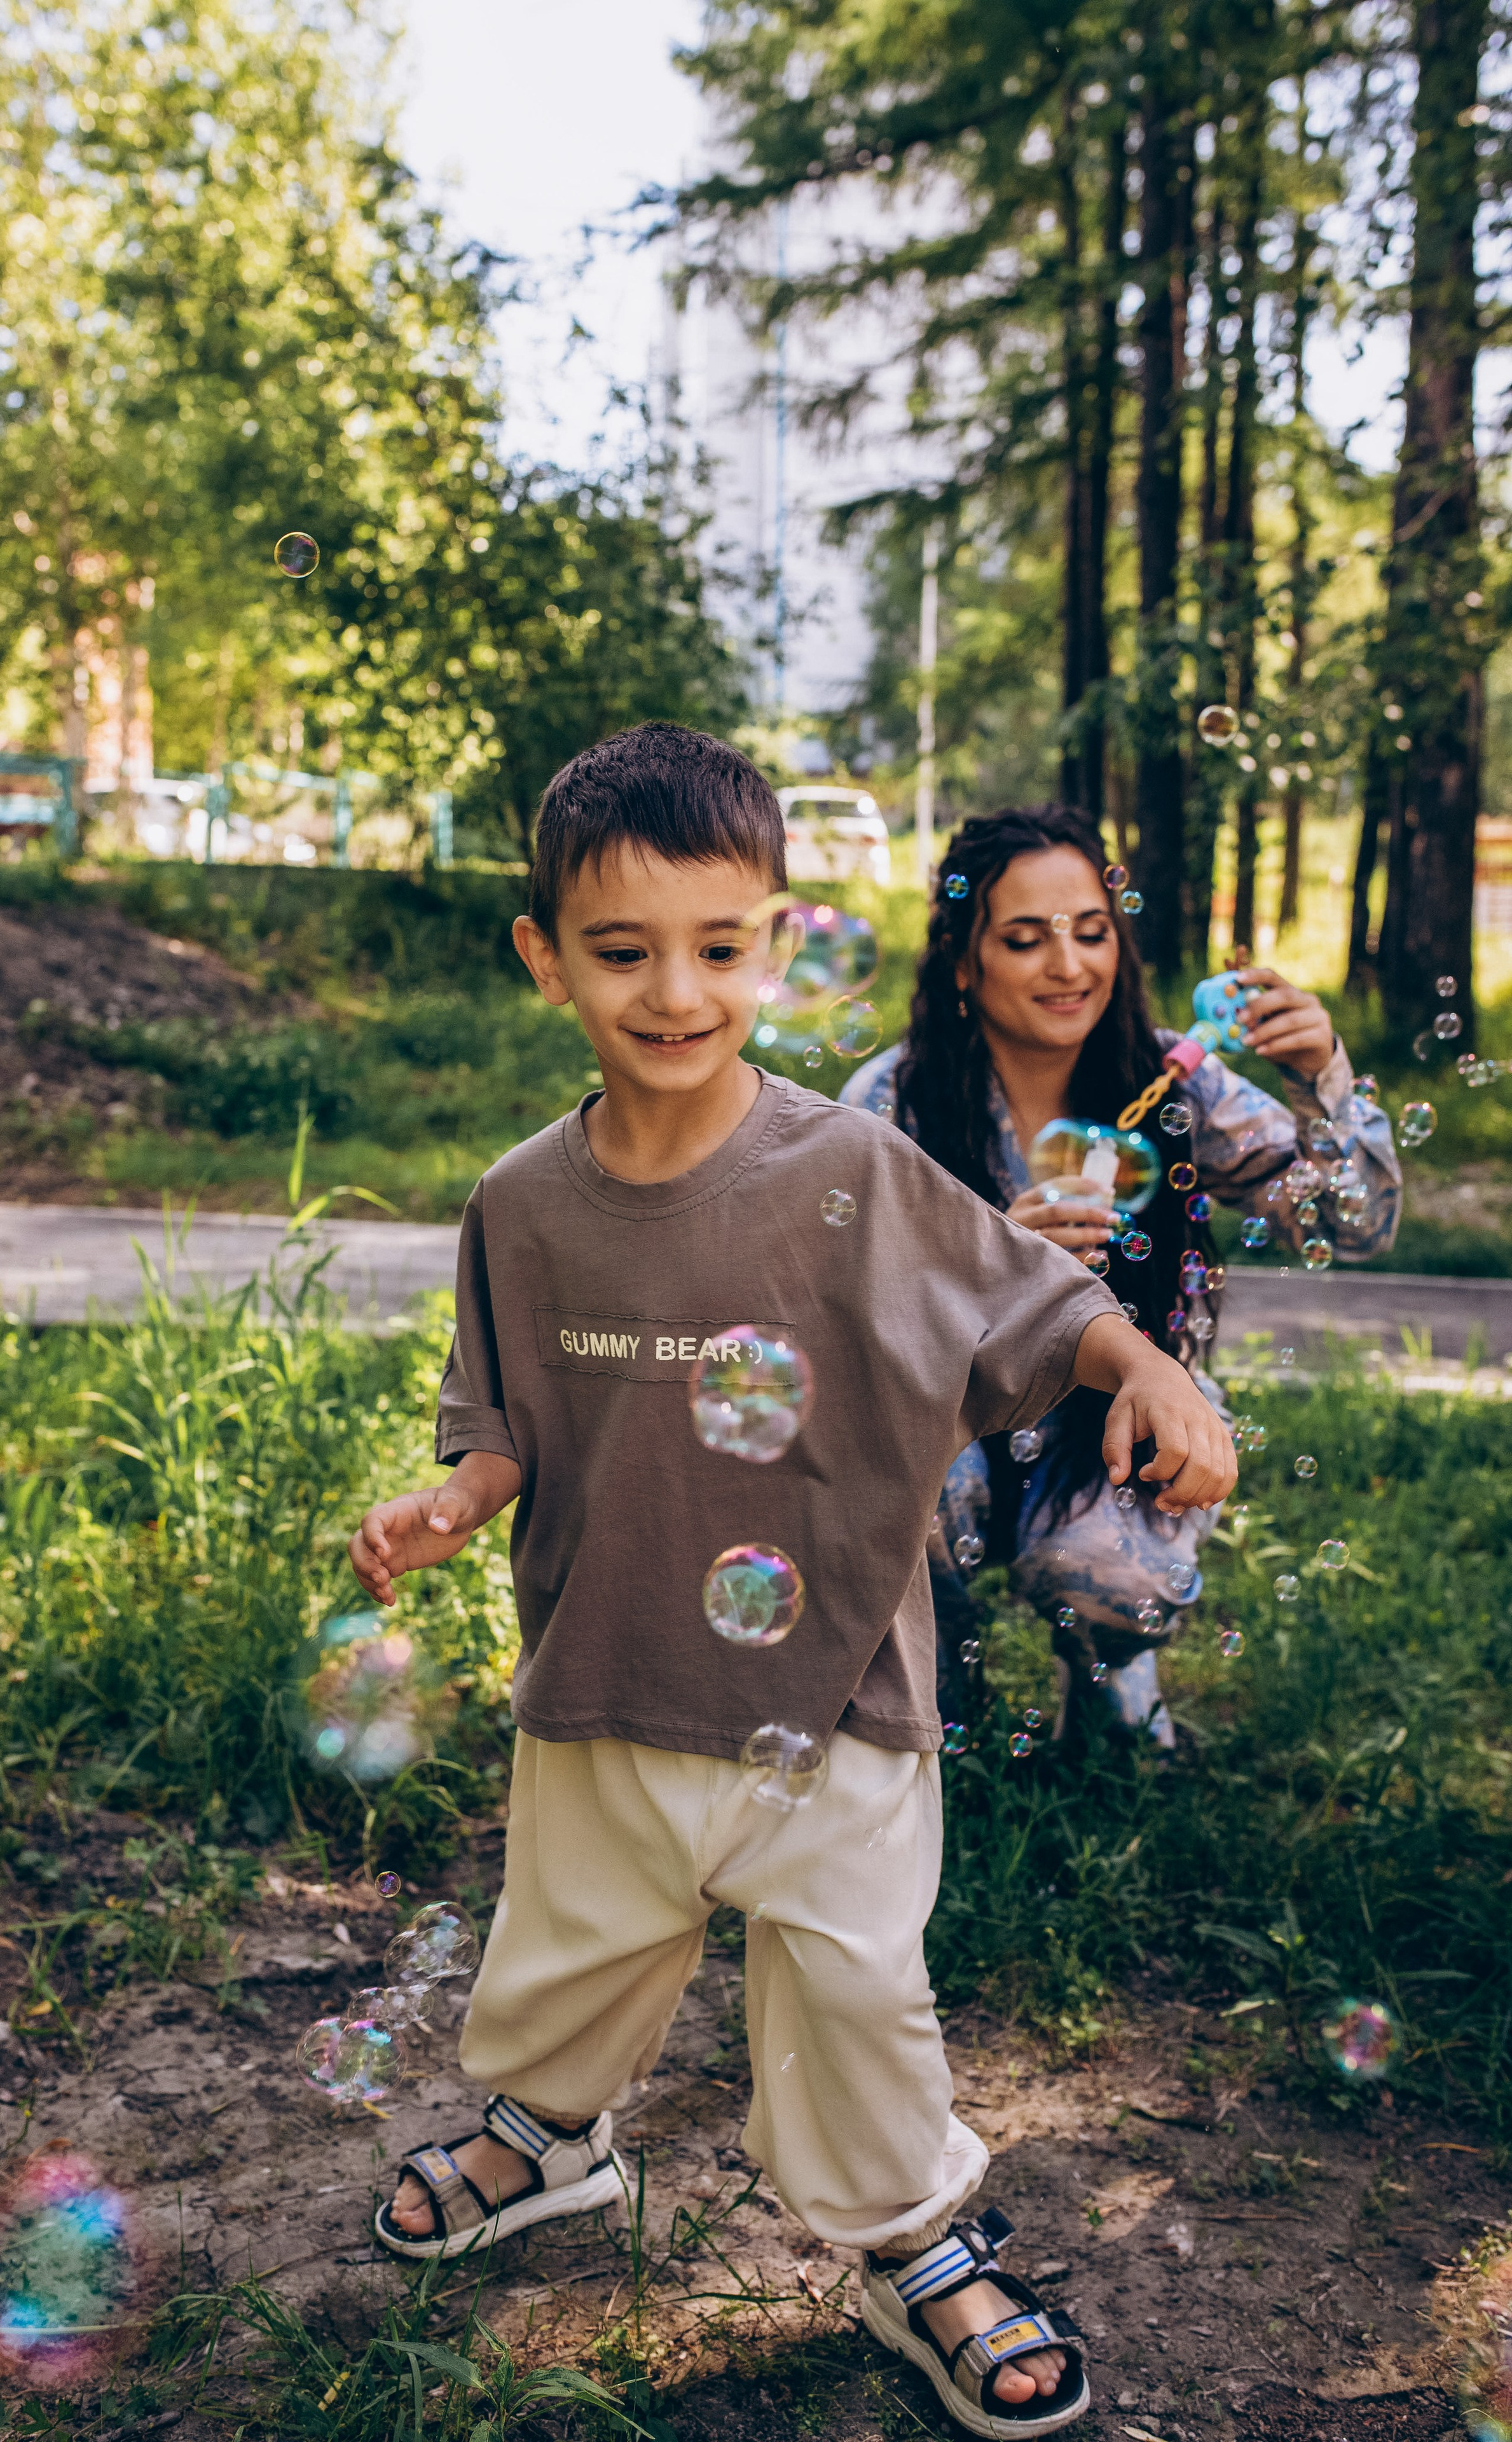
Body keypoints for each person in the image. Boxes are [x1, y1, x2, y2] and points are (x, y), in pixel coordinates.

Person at [346, 726, 1234, 2436]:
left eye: (718, 946)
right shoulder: (517, 1205)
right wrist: (455, 1502)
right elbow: (505, 1424)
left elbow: (1033, 1308)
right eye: (621, 952)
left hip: (832, 1689)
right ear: (545, 959)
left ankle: (911, 2236)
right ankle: (551, 2136)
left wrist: (1147, 1372)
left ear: (775, 938)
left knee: (856, 1986)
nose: (674, 992)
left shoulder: (849, 1173)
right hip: (605, 1668)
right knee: (574, 1943)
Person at [841, 804, 1400, 1746]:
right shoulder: (889, 1104)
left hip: (1118, 1422)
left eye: (1093, 932)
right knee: (878, 1476)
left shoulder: (1175, 1088)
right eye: (1025, 940)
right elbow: (836, 1320)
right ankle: (929, 1684)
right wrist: (987, 1263)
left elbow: (1352, 1225)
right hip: (952, 1419)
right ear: (965, 963)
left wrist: (1326, 1077)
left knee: (1119, 1578)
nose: (1070, 968)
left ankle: (1110, 1668)